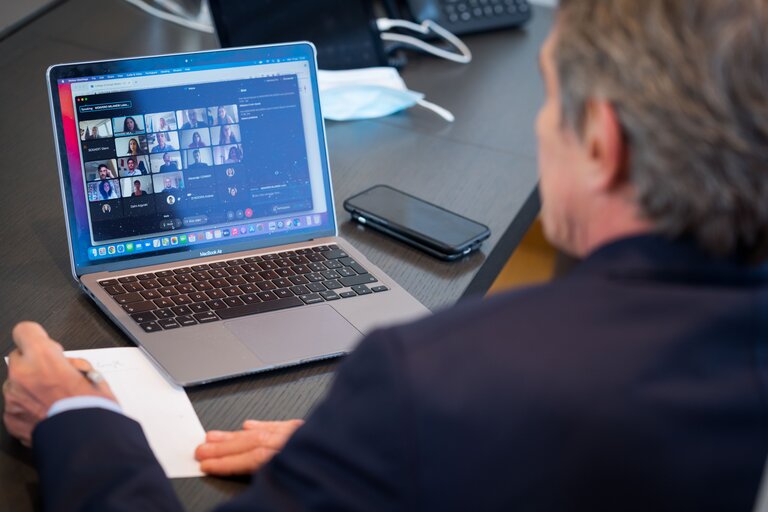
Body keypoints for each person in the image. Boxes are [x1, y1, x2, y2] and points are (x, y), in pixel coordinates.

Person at [4, 1, 768, 510]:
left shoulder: (430, 377)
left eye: (546, 96)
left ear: (601, 140)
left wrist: (73, 418)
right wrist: (377, 452)